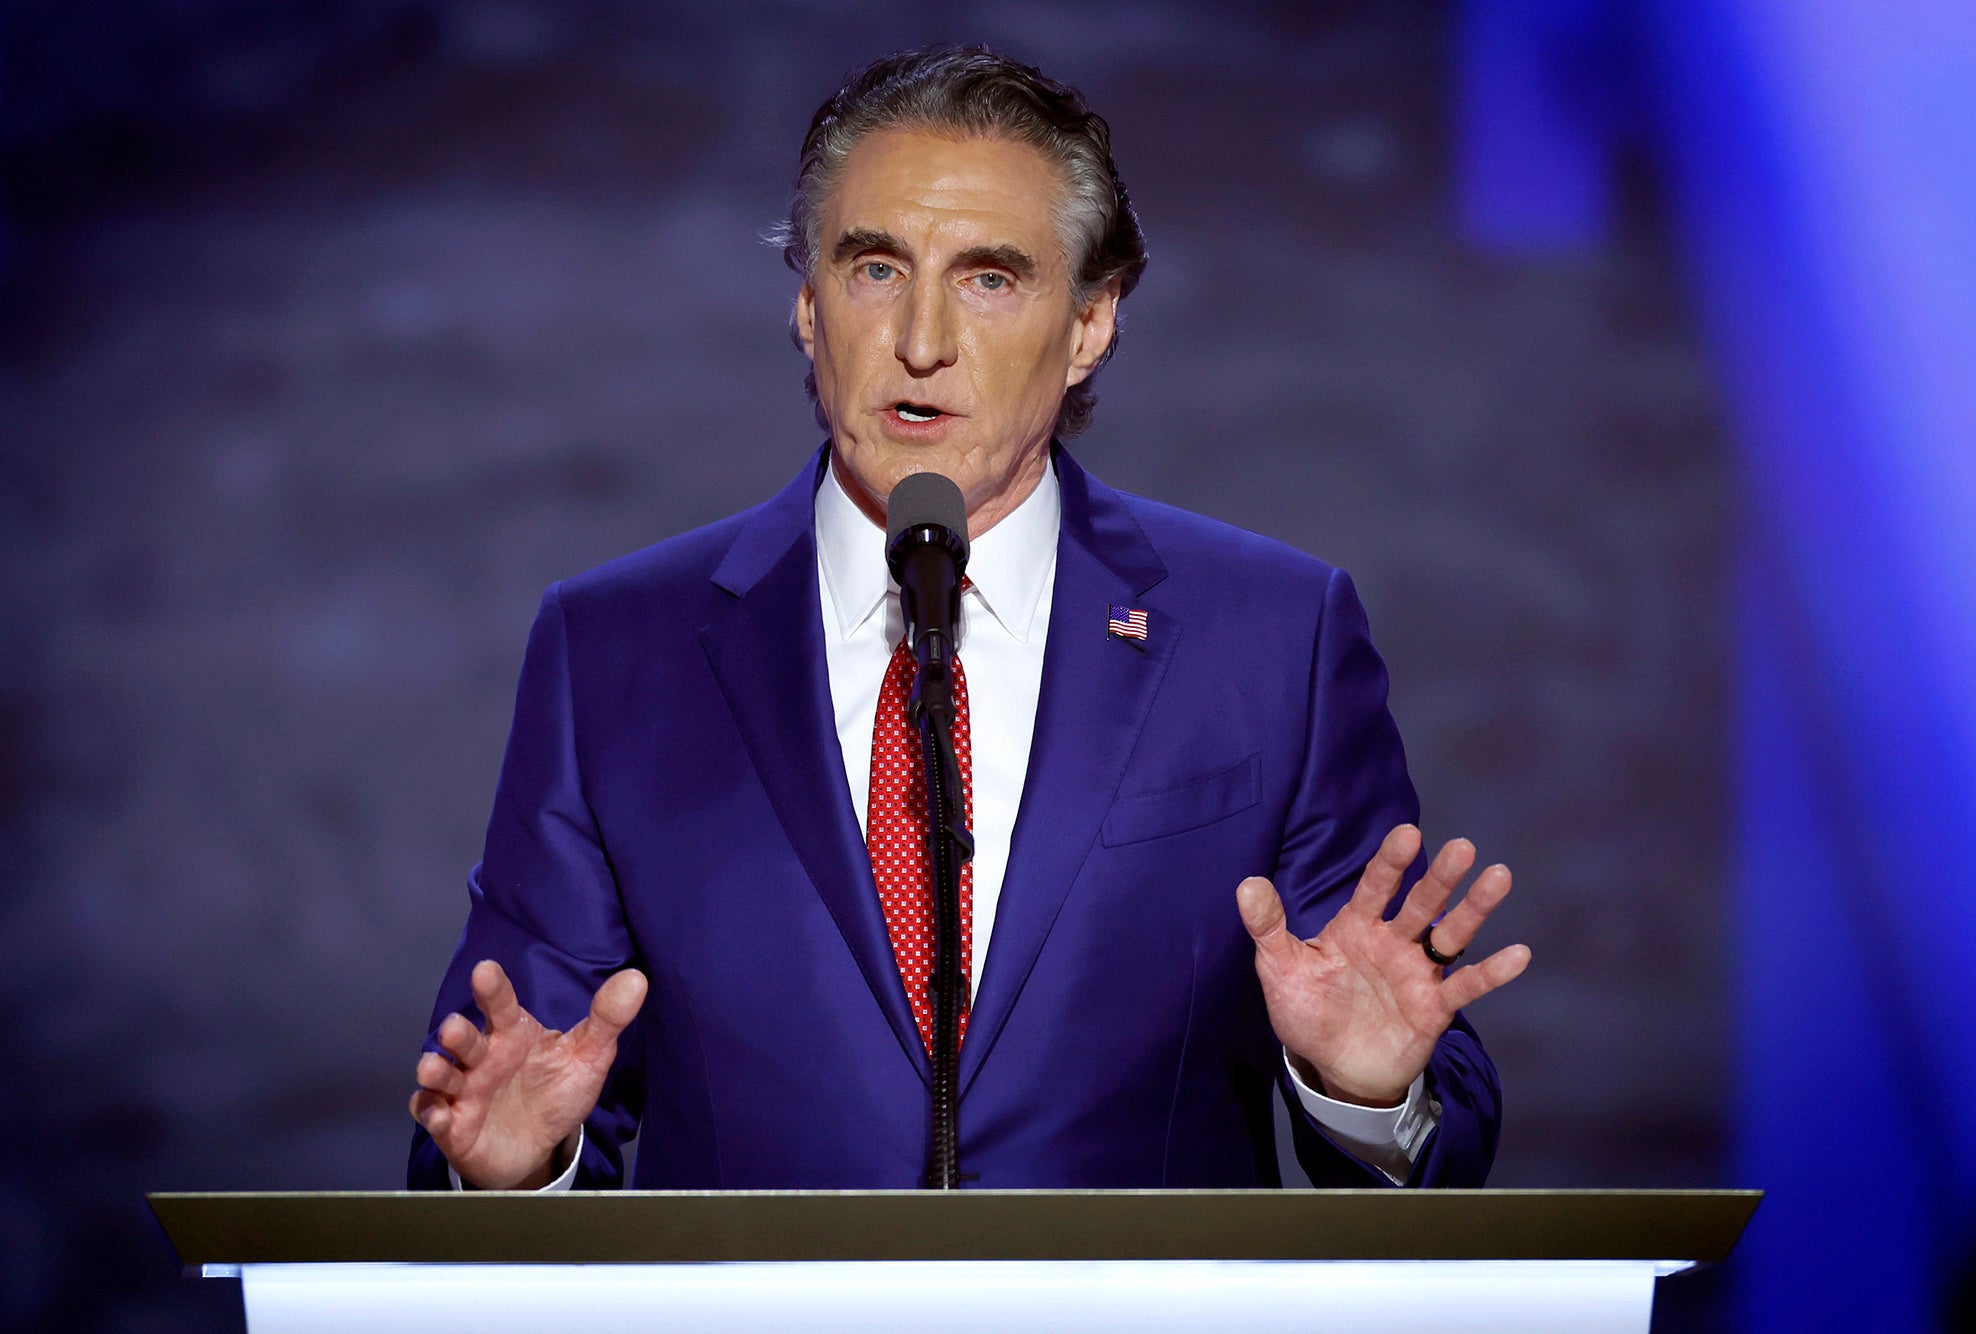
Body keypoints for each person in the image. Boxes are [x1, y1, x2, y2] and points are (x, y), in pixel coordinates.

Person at [407, 45, 1529, 1193]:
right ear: (806, 306)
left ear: (1090, 323)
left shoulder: (1269, 638)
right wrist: (513, 1168)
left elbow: (1437, 1118)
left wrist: (1363, 1089)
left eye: (990, 278)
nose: (923, 338)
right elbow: (512, 1081)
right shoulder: (613, 652)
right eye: (875, 269)